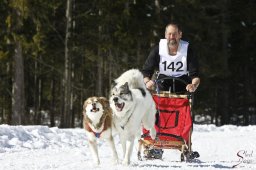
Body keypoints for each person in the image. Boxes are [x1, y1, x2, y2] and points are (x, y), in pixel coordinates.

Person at [142, 23, 200, 93]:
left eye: (174, 34)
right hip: (162, 89)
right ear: (165, 35)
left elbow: (195, 76)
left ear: (180, 34)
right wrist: (147, 82)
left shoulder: (188, 51)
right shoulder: (157, 50)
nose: (172, 37)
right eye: (169, 34)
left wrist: (193, 85)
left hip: (183, 89)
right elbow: (146, 71)